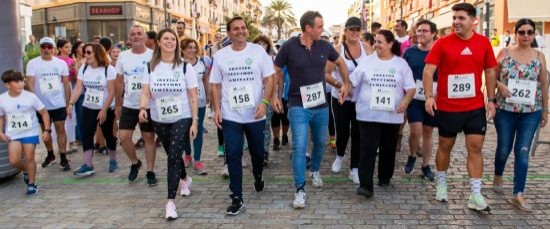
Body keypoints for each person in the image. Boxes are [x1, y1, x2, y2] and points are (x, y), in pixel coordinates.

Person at [423, 3, 497, 212]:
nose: (456, 22)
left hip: (474, 106)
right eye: (454, 18)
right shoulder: (443, 43)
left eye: (461, 18)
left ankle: (475, 194)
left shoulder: (483, 43)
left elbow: (490, 71)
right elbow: (429, 71)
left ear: (473, 20)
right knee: (445, 146)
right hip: (448, 106)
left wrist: (491, 99)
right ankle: (442, 184)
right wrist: (429, 96)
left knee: (475, 147)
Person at [273, 11, 350, 209]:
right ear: (308, 28)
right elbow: (275, 70)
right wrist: (275, 95)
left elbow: (340, 63)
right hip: (297, 104)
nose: (322, 29)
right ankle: (299, 189)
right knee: (299, 146)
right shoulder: (289, 46)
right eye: (319, 26)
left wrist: (346, 84)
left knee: (321, 143)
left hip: (320, 105)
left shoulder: (325, 45)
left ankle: (314, 169)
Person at [210, 16, 275, 216]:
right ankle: (236, 197)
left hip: (255, 115)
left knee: (257, 154)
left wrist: (265, 103)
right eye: (236, 29)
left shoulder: (258, 52)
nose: (241, 31)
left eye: (243, 28)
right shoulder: (221, 55)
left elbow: (270, 78)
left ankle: (257, 175)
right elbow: (214, 84)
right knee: (233, 155)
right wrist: (217, 109)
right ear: (229, 33)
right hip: (231, 116)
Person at [138, 28, 198, 220]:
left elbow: (193, 96)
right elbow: (146, 92)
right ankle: (184, 178)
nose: (170, 41)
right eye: (166, 38)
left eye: (173, 39)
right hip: (159, 117)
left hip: (182, 116)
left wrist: (195, 121)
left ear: (176, 43)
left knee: (173, 155)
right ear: (158, 42)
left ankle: (170, 202)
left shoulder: (185, 67)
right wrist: (142, 108)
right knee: (172, 153)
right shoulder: (150, 67)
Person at [351, 29, 415, 198]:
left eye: (379, 42)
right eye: (375, 42)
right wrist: (344, 88)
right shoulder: (367, 62)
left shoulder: (401, 64)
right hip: (368, 115)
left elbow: (411, 87)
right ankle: (366, 185)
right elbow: (353, 80)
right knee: (368, 149)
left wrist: (406, 101)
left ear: (390, 44)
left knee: (388, 148)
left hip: (392, 116)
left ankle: (385, 176)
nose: (376, 45)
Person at [493, 18, 549, 212]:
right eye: (522, 32)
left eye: (529, 32)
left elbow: (543, 84)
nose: (526, 36)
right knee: (503, 149)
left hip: (530, 112)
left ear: (534, 35)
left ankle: (518, 193)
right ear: (515, 34)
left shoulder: (539, 56)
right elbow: (492, 77)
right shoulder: (504, 53)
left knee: (523, 151)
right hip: (505, 111)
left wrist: (545, 110)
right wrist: (499, 86)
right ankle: (498, 174)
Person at [325, 17, 372, 184]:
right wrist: (341, 85)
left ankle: (355, 168)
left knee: (358, 133)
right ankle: (340, 155)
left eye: (358, 30)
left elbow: (373, 69)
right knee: (343, 131)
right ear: (345, 31)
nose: (355, 32)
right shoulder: (336, 50)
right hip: (341, 98)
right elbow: (326, 74)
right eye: (351, 29)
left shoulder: (367, 48)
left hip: (361, 99)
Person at [114, 25, 158, 186]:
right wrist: (118, 104)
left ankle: (150, 171)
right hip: (129, 104)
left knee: (148, 138)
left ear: (145, 37)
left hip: (148, 105)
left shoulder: (153, 55)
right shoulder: (123, 56)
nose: (136, 36)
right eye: (133, 34)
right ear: (129, 38)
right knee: (124, 137)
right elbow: (119, 82)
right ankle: (135, 162)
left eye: (139, 34)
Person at [67, 43, 119, 176]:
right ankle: (88, 164)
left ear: (97, 53)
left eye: (89, 52)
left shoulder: (109, 69)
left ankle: (113, 159)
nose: (85, 55)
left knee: (108, 134)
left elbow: (112, 92)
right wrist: (71, 103)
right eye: (85, 52)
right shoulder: (84, 68)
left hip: (106, 106)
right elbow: (78, 88)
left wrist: (104, 110)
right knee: (87, 134)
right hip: (88, 106)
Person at [0, 70, 51, 195]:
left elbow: (44, 112)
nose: (20, 84)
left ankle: (32, 184)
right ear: (7, 85)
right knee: (14, 161)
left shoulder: (30, 96)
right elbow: (1, 116)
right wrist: (0, 132)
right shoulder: (2, 99)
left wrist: (47, 130)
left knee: (29, 157)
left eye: (21, 81)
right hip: (13, 134)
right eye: (16, 82)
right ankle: (26, 170)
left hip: (30, 132)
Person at [26, 37, 72, 171]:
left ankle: (63, 156)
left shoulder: (61, 64)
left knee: (60, 128)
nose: (46, 49)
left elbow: (66, 84)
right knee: (46, 131)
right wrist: (33, 102)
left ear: (54, 49)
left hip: (58, 103)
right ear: (40, 48)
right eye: (43, 47)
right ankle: (50, 154)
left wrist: (68, 103)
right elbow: (30, 83)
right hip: (41, 105)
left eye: (49, 47)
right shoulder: (33, 63)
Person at [402, 20, 438, 181]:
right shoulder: (410, 52)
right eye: (418, 31)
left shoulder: (439, 51)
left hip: (434, 98)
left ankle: (425, 165)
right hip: (415, 98)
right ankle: (412, 155)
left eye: (424, 31)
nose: (420, 34)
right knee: (415, 130)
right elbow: (402, 72)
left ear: (433, 33)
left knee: (428, 132)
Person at [181, 38, 211, 175]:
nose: (192, 50)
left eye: (194, 47)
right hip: (184, 103)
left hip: (199, 101)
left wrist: (208, 94)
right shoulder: (179, 64)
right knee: (185, 130)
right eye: (189, 47)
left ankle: (197, 160)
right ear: (182, 49)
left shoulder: (202, 62)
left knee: (197, 129)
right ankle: (187, 155)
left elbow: (205, 79)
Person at [252, 34, 276, 165]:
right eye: (259, 43)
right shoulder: (249, 58)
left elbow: (273, 80)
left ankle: (265, 152)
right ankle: (255, 151)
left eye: (264, 44)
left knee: (266, 126)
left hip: (266, 98)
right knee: (253, 127)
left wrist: (272, 98)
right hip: (252, 98)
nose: (261, 46)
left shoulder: (270, 59)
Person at [57, 39, 79, 154]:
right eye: (66, 47)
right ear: (60, 48)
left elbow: (75, 79)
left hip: (69, 85)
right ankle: (62, 143)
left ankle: (71, 141)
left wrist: (74, 68)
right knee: (59, 116)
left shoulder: (71, 60)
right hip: (57, 87)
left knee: (71, 113)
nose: (69, 49)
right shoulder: (56, 60)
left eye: (70, 47)